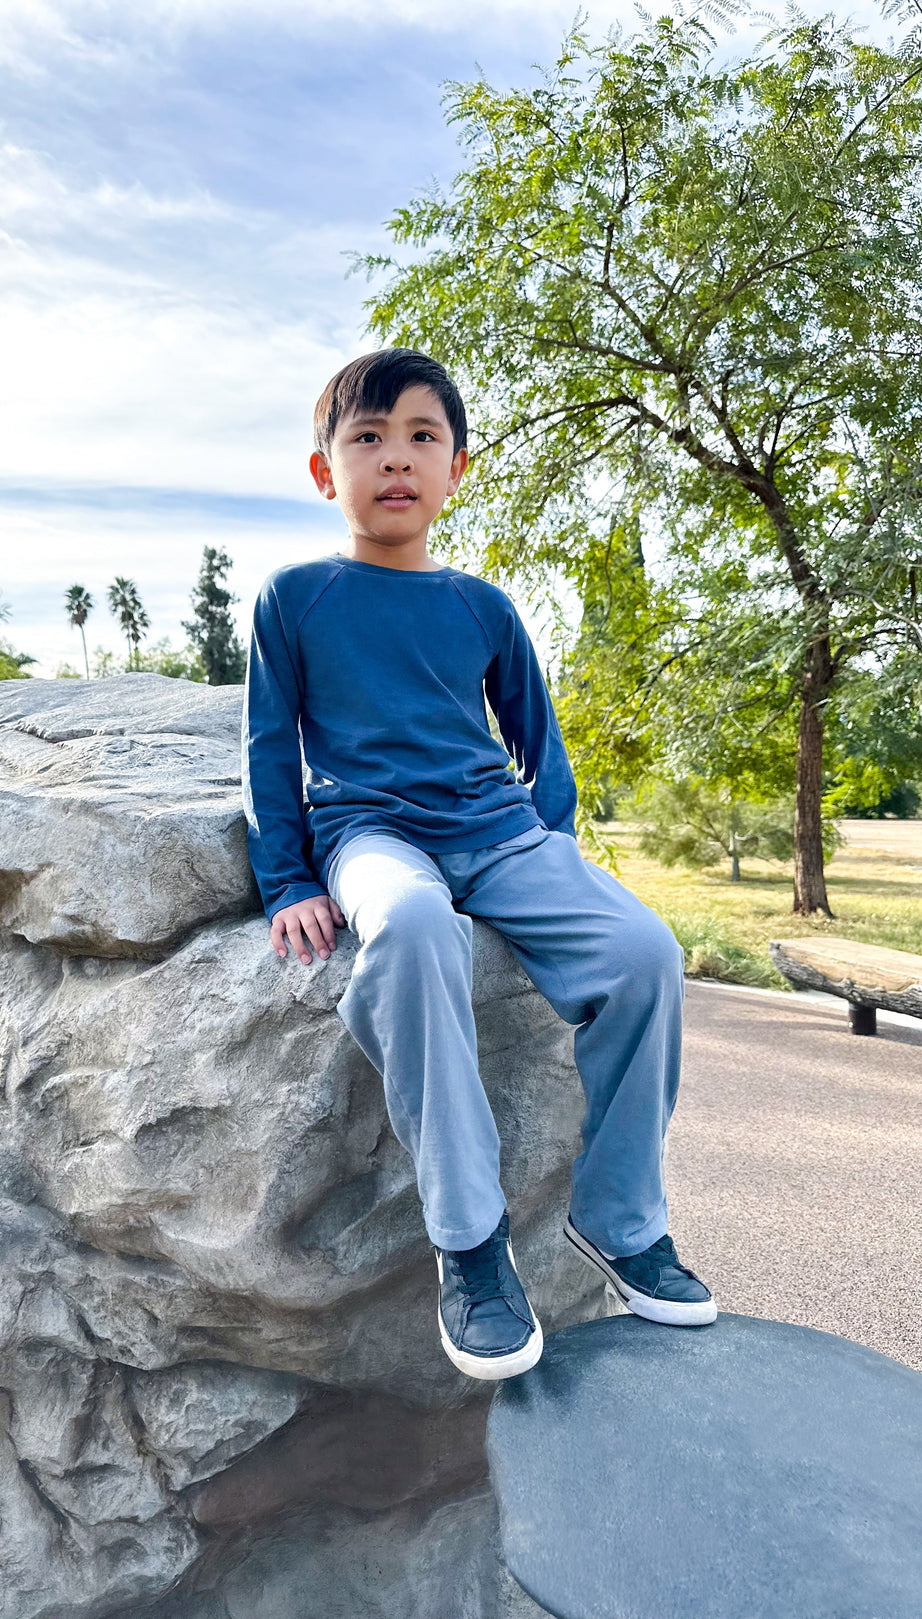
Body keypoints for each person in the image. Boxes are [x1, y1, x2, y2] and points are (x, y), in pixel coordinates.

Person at [241, 348, 715, 1381]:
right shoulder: (297, 598)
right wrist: (288, 881)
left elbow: (540, 748)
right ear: (325, 471)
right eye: (368, 438)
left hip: (500, 834)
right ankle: (470, 1243)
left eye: (423, 437)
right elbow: (269, 752)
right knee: (413, 928)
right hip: (371, 835)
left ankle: (620, 1218)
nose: (396, 458)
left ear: (456, 468)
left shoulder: (482, 606)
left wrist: (553, 855)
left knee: (646, 952)